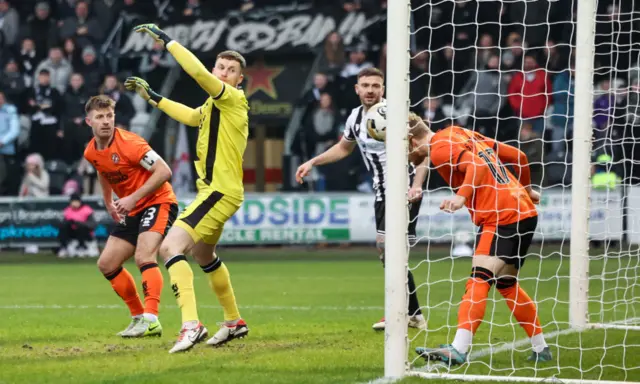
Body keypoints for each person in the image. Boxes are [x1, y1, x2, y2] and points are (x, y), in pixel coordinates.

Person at [125, 24, 249, 353]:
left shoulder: (232, 99)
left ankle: (191, 323)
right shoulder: (213, 107)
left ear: (240, 81)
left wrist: (167, 41)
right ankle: (234, 321)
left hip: (218, 192)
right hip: (219, 190)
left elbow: (195, 72)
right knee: (204, 254)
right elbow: (192, 116)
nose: (223, 73)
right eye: (220, 67)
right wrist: (154, 98)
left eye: (231, 70)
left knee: (169, 248)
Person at [406, 115, 552, 364]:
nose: (406, 158)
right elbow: (519, 156)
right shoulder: (459, 133)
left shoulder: (439, 148)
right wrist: (527, 190)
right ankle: (541, 348)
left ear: (411, 141)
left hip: (500, 217)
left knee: (478, 280)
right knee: (506, 284)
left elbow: (478, 166)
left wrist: (462, 197)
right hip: (524, 211)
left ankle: (458, 348)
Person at [296, 67, 428, 331]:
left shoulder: (399, 114)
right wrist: (313, 161)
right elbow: (344, 148)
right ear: (357, 89)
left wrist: (416, 185)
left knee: (391, 250)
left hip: (402, 189)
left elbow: (426, 149)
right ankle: (412, 313)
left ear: (383, 89)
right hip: (381, 191)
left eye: (375, 85)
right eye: (365, 85)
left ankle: (401, 313)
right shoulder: (355, 117)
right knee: (387, 253)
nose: (370, 90)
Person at [83, 95, 178, 338]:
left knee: (144, 256)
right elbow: (102, 170)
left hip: (158, 201)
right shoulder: (91, 151)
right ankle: (138, 318)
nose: (106, 121)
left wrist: (132, 198)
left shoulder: (131, 143)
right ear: (88, 121)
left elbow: (164, 171)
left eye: (109, 116)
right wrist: (108, 202)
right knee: (107, 264)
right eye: (100, 117)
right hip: (132, 208)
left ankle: (152, 318)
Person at [58, 193, 99, 258]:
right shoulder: (68, 210)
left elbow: (93, 225)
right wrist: (69, 222)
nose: (74, 203)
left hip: (85, 233)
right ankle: (64, 248)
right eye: (73, 201)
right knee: (63, 226)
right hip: (72, 233)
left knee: (81, 228)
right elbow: (62, 223)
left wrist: (79, 223)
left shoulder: (87, 210)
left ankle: (82, 248)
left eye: (76, 201)